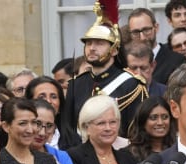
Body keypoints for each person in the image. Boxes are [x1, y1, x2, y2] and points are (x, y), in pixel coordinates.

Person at [60, 1, 147, 143]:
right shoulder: (76, 84)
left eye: (99, 43)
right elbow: (67, 130)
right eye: (89, 43)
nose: (92, 48)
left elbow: (137, 133)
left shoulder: (132, 85)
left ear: (114, 50)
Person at [127, 8, 186, 85]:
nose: (142, 37)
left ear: (156, 27)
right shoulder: (124, 63)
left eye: (146, 30)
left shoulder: (176, 61)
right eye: (136, 32)